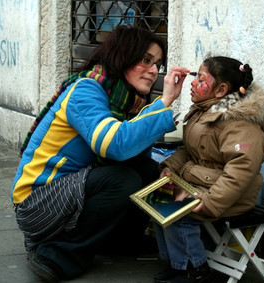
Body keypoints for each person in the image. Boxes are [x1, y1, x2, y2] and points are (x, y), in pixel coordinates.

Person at [11, 25, 190, 282]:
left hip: (71, 193)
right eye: (146, 60)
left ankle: (120, 242)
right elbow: (113, 144)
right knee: (122, 179)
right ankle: (57, 254)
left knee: (147, 169)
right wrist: (163, 104)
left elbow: (130, 144)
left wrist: (165, 103)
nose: (153, 71)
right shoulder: (86, 91)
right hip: (37, 204)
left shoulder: (123, 99)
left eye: (158, 64)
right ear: (122, 55)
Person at [153, 56, 264, 283]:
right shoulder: (203, 112)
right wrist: (170, 167)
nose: (193, 83)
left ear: (221, 90)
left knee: (179, 214)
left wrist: (210, 201)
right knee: (158, 202)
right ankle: (178, 264)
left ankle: (196, 269)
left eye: (200, 78)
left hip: (230, 196)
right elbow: (189, 151)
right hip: (201, 184)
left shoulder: (239, 123)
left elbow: (241, 171)